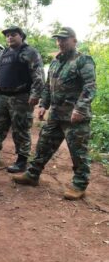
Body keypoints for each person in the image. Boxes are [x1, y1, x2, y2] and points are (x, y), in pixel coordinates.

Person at [13, 27, 96, 200]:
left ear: (74, 40)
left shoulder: (83, 60)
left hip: (75, 118)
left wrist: (80, 108)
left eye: (64, 39)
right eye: (58, 39)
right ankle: (32, 175)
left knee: (78, 153)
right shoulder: (55, 62)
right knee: (43, 145)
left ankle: (79, 185)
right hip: (56, 115)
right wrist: (43, 105)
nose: (60, 43)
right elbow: (48, 87)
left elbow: (90, 87)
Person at [0, 25, 44, 173]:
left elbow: (38, 75)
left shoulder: (29, 52)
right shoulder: (4, 52)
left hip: (21, 97)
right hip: (2, 96)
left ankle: (21, 161)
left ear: (21, 36)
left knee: (20, 129)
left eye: (13, 34)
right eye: (7, 35)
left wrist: (35, 95)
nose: (10, 37)